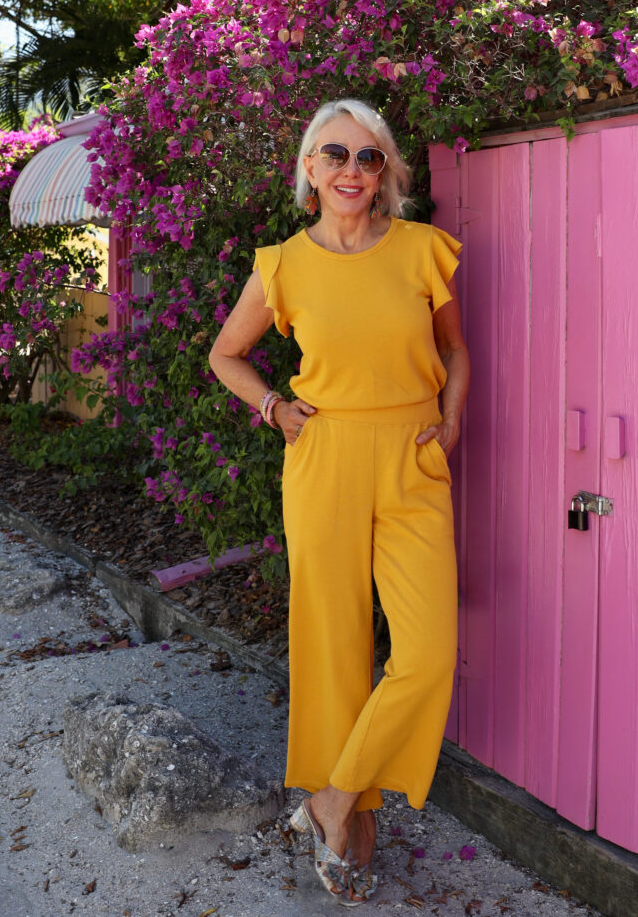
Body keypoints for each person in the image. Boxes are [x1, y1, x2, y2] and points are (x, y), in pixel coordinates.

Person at [208, 98, 469, 906]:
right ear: (309, 171)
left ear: (385, 170)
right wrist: (271, 407)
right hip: (322, 459)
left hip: (412, 460)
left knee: (426, 655)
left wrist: (452, 420)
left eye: (368, 155)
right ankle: (354, 827)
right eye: (335, 155)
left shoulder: (423, 250)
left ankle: (330, 797)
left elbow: (457, 351)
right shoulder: (282, 264)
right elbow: (226, 354)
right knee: (334, 649)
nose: (352, 169)